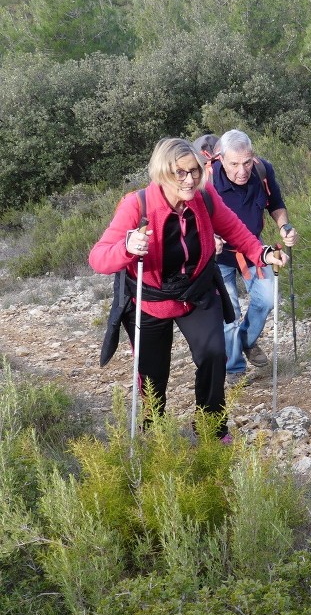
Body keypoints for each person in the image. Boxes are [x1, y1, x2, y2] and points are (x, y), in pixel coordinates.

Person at [91, 137, 288, 439]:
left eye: (194, 170)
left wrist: (261, 253)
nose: (189, 178)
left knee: (213, 355)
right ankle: (154, 425)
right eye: (179, 172)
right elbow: (99, 258)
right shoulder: (138, 205)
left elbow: (236, 231)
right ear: (162, 173)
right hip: (150, 299)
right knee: (153, 373)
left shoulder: (205, 197)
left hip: (197, 291)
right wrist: (127, 246)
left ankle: (211, 426)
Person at [206, 129, 298, 386]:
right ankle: (234, 368)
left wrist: (284, 227)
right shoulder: (207, 180)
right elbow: (193, 216)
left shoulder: (262, 171)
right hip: (219, 258)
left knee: (267, 298)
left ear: (253, 157)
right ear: (220, 159)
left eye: (247, 162)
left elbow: (276, 203)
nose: (242, 170)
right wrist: (208, 237)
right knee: (229, 311)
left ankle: (246, 340)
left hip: (253, 250)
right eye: (234, 164)